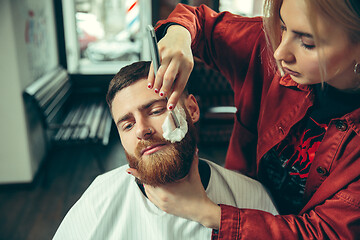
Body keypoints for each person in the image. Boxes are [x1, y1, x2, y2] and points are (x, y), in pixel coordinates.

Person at [135, 0, 360, 239]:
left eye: (308, 43)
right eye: (283, 27)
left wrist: (206, 213)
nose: (279, 52)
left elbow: (326, 232)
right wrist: (178, 34)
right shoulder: (265, 44)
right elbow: (198, 21)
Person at [52, 61, 278, 240]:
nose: (142, 130)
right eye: (127, 125)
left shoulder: (251, 198)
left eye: (156, 110)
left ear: (191, 110)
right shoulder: (98, 200)